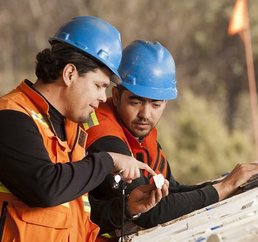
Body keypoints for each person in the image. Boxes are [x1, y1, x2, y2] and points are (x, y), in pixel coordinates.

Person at [0, 17, 168, 242]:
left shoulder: (72, 130)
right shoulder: (10, 117)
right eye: (99, 86)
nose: (102, 97)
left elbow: (72, 215)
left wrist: (126, 208)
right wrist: (108, 160)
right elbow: (45, 188)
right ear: (70, 74)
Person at [84, 40, 258, 237]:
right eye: (135, 101)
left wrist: (231, 183)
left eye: (155, 105)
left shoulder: (137, 132)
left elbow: (172, 190)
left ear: (165, 103)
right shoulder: (103, 134)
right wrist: (224, 187)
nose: (145, 114)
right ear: (116, 96)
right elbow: (149, 212)